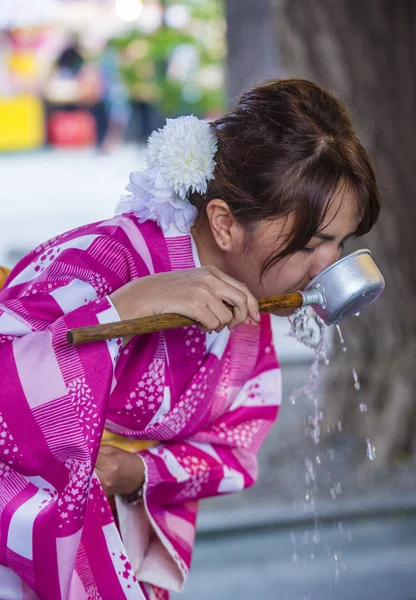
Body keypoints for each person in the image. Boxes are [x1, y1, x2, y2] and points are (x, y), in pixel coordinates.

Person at [0, 79, 380, 600]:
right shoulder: (100, 262)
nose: (328, 264)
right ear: (224, 223)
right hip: (23, 531)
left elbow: (236, 443)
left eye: (340, 243)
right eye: (313, 243)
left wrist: (137, 469)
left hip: (116, 535)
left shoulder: (246, 306)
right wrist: (124, 306)